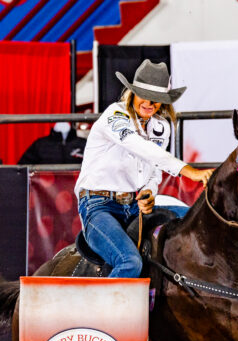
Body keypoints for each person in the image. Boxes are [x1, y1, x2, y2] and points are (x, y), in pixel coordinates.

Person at [74, 59, 212, 278]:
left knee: (196, 221)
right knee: (129, 262)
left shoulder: (161, 127)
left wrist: (149, 191)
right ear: (133, 93)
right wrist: (189, 171)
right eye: (144, 96)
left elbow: (153, 170)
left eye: (157, 100)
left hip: (132, 205)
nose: (150, 103)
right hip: (97, 205)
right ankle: (105, 311)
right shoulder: (115, 115)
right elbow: (137, 146)